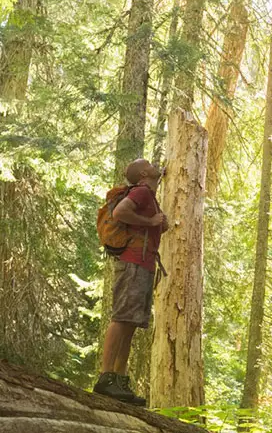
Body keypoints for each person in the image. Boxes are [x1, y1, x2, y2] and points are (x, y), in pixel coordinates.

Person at [93, 159, 168, 406]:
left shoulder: (149, 194)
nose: (155, 164)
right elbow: (120, 212)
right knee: (122, 318)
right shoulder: (142, 191)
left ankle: (120, 380)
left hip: (143, 264)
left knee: (131, 324)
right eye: (149, 163)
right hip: (133, 263)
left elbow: (152, 224)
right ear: (144, 173)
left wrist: (157, 222)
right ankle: (106, 377)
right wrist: (150, 222)